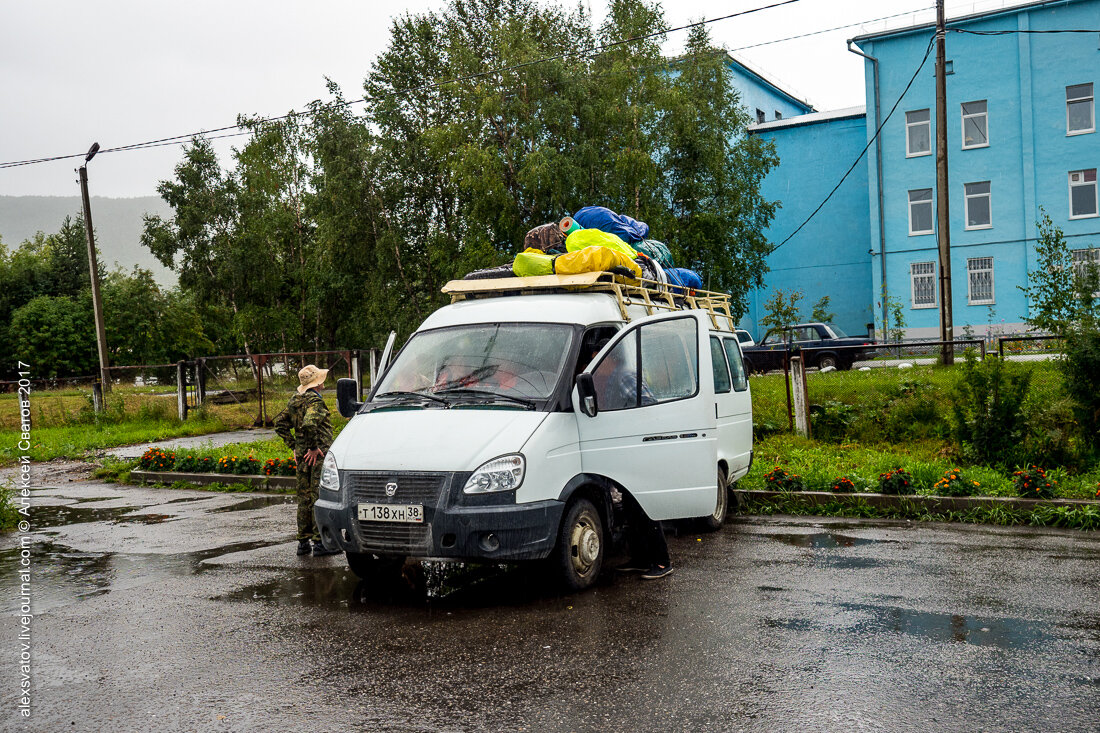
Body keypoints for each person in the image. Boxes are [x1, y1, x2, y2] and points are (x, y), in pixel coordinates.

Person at [587, 338, 671, 580]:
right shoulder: (614, 377)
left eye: (596, 357)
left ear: (607, 357)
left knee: (643, 505)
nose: (594, 363)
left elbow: (648, 406)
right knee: (632, 505)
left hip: (639, 448)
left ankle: (662, 561)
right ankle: (641, 558)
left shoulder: (624, 376)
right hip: (628, 448)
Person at [274, 364, 340, 557]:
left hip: (303, 456)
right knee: (318, 497)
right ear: (317, 383)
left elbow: (279, 425)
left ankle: (303, 543)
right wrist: (312, 447)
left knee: (304, 498)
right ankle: (320, 543)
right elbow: (310, 423)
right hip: (317, 456)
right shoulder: (315, 402)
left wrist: (294, 446)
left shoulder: (296, 399)